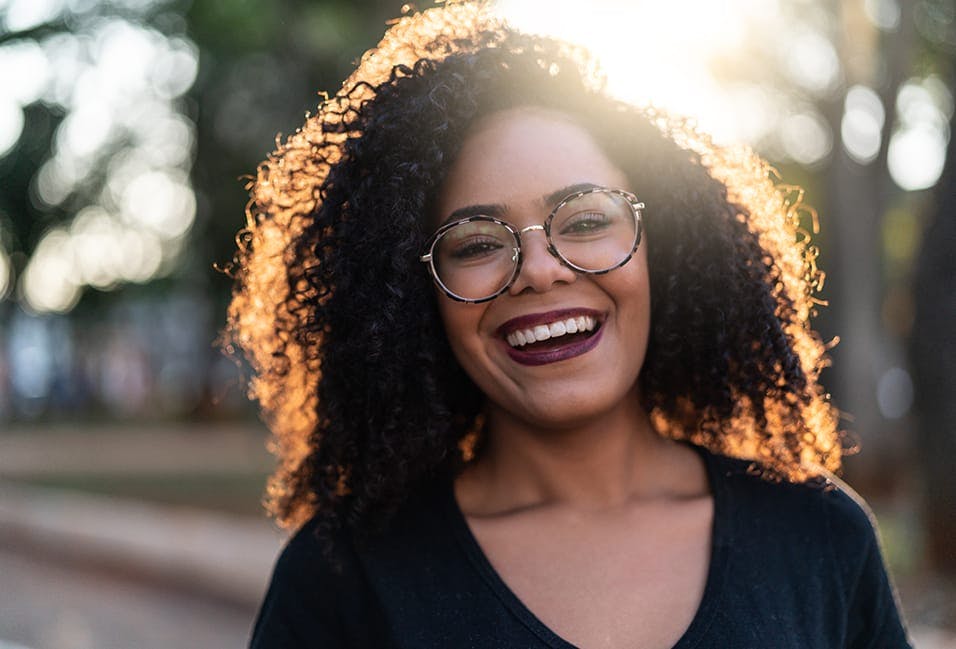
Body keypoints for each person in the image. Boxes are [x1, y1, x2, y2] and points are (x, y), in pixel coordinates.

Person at [225, 3, 913, 647]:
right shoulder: (343, 579)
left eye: (585, 220)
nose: (539, 270)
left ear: (662, 246)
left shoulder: (821, 538)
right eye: (476, 243)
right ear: (410, 296)